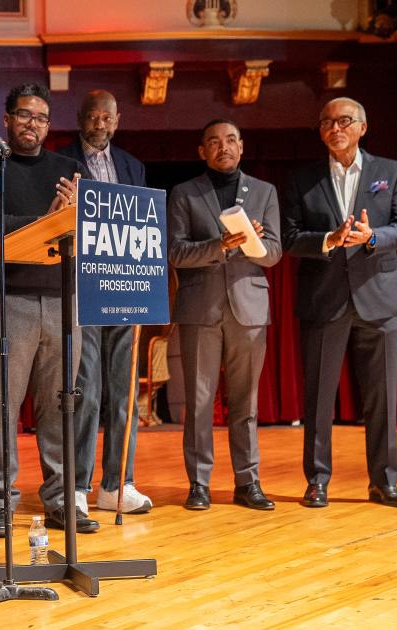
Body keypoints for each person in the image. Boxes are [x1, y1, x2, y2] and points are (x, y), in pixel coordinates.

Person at [0, 82, 99, 536]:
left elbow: (89, 226)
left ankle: (63, 499)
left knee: (61, 406)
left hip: (65, 299)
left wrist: (70, 216)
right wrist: (47, 220)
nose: (33, 124)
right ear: (6, 119)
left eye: (42, 118)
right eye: (25, 115)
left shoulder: (70, 170)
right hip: (5, 300)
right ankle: (1, 502)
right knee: (3, 409)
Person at [282, 97, 397, 509]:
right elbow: (288, 238)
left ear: (362, 127)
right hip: (325, 300)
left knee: (382, 399)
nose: (335, 127)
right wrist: (329, 239)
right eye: (326, 122)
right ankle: (317, 481)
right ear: (320, 131)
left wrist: (371, 237)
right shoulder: (301, 179)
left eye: (344, 121)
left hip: (379, 298)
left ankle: (384, 482)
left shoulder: (392, 172)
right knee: (319, 398)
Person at [168, 119, 282, 511]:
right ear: (202, 151)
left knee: (245, 403)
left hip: (249, 309)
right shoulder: (184, 193)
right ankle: (199, 483)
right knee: (199, 403)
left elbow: (274, 253)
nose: (224, 147)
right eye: (214, 142)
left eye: (231, 139)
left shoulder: (265, 192)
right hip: (200, 308)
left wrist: (250, 242)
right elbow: (176, 253)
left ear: (242, 146)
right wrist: (219, 245)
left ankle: (247, 482)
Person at [57, 89, 152, 516]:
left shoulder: (134, 165)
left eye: (107, 117)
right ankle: (78, 484)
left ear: (117, 121)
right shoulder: (61, 162)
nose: (100, 123)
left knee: (125, 391)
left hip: (129, 285)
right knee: (88, 389)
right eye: (93, 116)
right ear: (80, 119)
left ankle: (118, 483)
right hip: (84, 284)